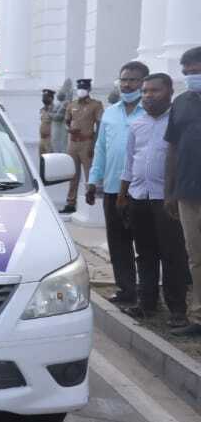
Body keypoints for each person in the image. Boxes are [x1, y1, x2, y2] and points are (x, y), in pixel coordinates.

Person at [118, 74, 186, 327]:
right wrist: (123, 195)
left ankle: (177, 310)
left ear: (170, 92)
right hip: (139, 197)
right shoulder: (137, 124)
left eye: (154, 91)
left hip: (166, 200)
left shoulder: (178, 123)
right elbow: (129, 162)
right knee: (145, 253)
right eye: (145, 91)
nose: (148, 96)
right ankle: (146, 304)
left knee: (172, 255)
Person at [87, 63, 147, 305]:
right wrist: (93, 181)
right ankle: (126, 290)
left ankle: (147, 295)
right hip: (113, 188)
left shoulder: (150, 112)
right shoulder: (110, 113)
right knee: (118, 243)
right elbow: (101, 149)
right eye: (123, 79)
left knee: (144, 244)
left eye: (133, 80)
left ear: (143, 82)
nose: (127, 84)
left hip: (142, 191)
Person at [164, 46, 201, 337]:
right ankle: (198, 317)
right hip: (188, 193)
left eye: (195, 70)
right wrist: (170, 191)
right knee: (196, 257)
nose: (190, 76)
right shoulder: (181, 102)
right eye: (186, 72)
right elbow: (172, 149)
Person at [62, 78, 103, 213]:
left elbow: (100, 125)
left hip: (87, 142)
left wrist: (95, 144)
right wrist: (69, 129)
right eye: (79, 88)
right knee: (72, 174)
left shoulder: (96, 105)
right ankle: (70, 203)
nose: (81, 90)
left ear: (89, 89)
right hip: (73, 142)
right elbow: (66, 121)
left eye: (84, 88)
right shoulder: (71, 104)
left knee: (90, 174)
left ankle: (90, 201)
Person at [39, 88, 56, 157]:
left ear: (51, 98)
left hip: (49, 140)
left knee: (50, 159)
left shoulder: (55, 109)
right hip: (42, 139)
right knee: (42, 160)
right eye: (43, 97)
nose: (44, 99)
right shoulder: (42, 110)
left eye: (46, 97)